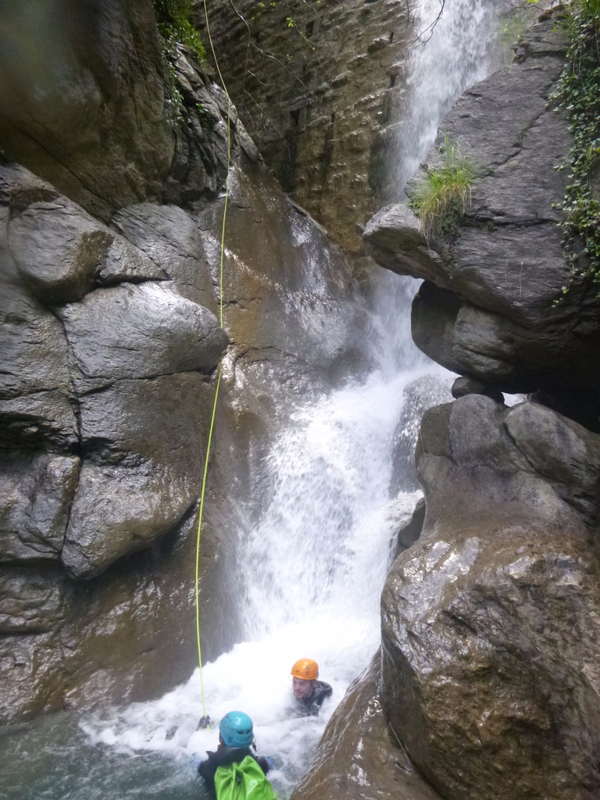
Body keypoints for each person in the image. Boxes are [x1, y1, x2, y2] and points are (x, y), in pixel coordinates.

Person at [198, 710, 271, 796]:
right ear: (251, 738)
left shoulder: (207, 769)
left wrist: (199, 735)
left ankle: (200, 731)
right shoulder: (262, 766)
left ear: (220, 738)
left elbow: (197, 765)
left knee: (194, 758)